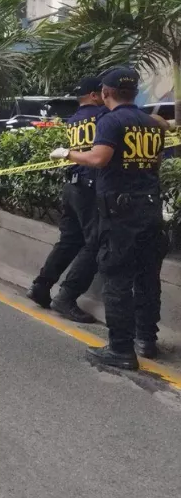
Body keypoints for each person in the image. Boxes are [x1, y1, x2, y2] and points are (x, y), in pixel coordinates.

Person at [51, 67, 166, 369]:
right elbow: (155, 155)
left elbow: (98, 158)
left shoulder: (110, 121)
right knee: (148, 278)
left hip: (120, 212)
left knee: (116, 278)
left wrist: (68, 154)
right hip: (151, 208)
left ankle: (121, 349)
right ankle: (147, 340)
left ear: (105, 93)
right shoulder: (151, 124)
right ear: (135, 92)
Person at [27, 78, 105, 323]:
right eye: (104, 92)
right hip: (91, 188)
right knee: (96, 243)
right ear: (94, 95)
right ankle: (67, 296)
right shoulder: (103, 116)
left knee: (69, 241)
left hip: (72, 186)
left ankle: (41, 285)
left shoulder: (75, 119)